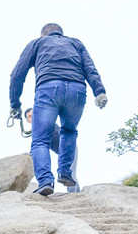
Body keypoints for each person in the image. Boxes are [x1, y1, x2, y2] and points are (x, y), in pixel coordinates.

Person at [9, 23, 107, 196]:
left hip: (49, 88)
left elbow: (17, 74)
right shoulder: (75, 43)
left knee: (40, 140)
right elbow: (90, 68)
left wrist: (15, 104)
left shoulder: (37, 43)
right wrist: (99, 92)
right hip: (77, 91)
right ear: (61, 33)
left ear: (42, 35)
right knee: (69, 131)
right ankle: (65, 173)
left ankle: (46, 180)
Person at [24, 107, 80, 193]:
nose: (33, 117)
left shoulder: (47, 122)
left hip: (69, 149)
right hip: (62, 153)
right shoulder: (36, 131)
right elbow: (38, 147)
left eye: (34, 114)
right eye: (30, 116)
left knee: (71, 174)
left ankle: (75, 195)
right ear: (28, 120)